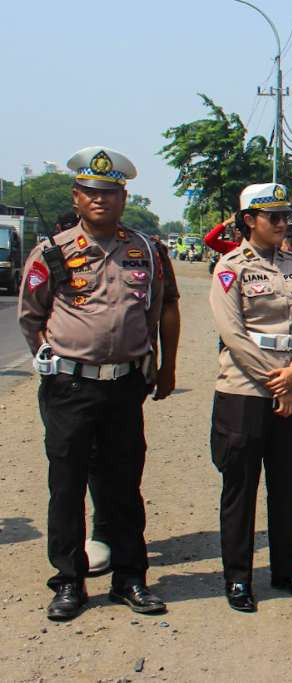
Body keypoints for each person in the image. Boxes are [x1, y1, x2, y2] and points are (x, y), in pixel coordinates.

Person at [18, 146, 170, 620]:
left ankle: (130, 578)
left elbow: (154, 309)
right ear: (76, 196)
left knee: (123, 484)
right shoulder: (53, 252)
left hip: (124, 386)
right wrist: (54, 359)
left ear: (123, 197)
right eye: (91, 192)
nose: (100, 200)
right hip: (71, 388)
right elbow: (31, 315)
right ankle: (69, 581)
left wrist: (158, 364)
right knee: (66, 485)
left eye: (110, 192)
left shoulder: (143, 249)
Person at [208, 182, 292, 613]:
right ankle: (238, 578)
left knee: (288, 485)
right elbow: (232, 334)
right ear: (248, 221)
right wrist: (275, 382)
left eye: (285, 216)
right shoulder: (230, 267)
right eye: (272, 217)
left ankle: (287, 571)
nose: (281, 223)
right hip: (244, 390)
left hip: (291, 384)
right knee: (240, 488)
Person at [85, 230, 181, 573]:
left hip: (129, 372)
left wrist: (168, 366)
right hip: (75, 376)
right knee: (82, 461)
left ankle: (118, 547)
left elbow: (168, 303)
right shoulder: (61, 244)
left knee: (124, 459)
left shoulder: (149, 250)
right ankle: (95, 537)